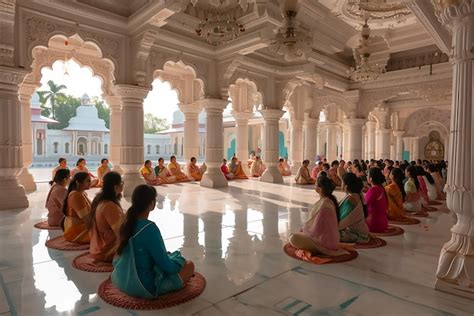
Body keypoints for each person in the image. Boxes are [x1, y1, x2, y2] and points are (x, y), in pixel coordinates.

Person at [111, 185, 195, 298]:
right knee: (189, 265)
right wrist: (180, 262)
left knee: (168, 256)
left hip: (118, 278)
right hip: (143, 286)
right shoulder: (149, 228)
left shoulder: (125, 222)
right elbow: (167, 267)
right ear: (152, 203)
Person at [289, 176, 348, 256]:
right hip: (330, 241)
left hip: (325, 244)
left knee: (293, 238)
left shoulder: (325, 205)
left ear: (319, 189)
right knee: (294, 235)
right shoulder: (328, 200)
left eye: (316, 184)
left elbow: (316, 231)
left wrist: (305, 228)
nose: (314, 186)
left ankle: (319, 250)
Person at [88, 172, 124, 262]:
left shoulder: (100, 199)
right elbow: (120, 233)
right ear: (116, 187)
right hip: (106, 251)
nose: (123, 184)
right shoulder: (109, 206)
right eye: (121, 182)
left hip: (97, 247)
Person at [338, 173, 370, 243]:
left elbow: (343, 218)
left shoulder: (351, 198)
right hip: (359, 231)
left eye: (342, 182)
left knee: (329, 234)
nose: (341, 184)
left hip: (357, 234)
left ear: (346, 186)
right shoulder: (356, 194)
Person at [62, 172, 92, 244]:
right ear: (78, 182)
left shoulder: (81, 193)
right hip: (76, 231)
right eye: (88, 181)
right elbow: (87, 221)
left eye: (90, 180)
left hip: (79, 226)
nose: (90, 183)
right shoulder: (76, 195)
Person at [365, 167, 389, 233]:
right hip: (383, 223)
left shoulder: (373, 190)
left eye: (367, 175)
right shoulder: (381, 188)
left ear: (371, 178)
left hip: (374, 224)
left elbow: (363, 205)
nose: (366, 176)